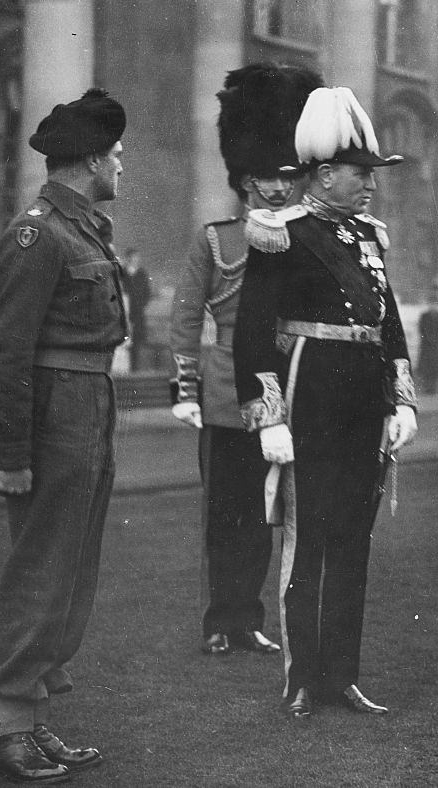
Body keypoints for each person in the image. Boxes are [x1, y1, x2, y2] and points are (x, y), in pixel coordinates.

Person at [233, 86, 417, 718]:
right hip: (309, 393)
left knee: (352, 540)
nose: (371, 184)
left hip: (364, 398)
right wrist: (269, 417)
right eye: (360, 173)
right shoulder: (281, 233)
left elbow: (389, 323)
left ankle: (341, 676)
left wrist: (402, 400)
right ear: (326, 173)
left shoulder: (369, 236)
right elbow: (253, 332)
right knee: (307, 538)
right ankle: (302, 679)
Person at [0, 88, 127, 783]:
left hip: (88, 407)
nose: (121, 166)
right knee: (41, 571)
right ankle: (6, 731)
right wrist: (11, 456)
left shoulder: (84, 229)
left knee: (69, 574)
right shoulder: (37, 235)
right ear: (91, 160)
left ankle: (31, 723)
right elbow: (3, 352)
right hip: (54, 416)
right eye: (115, 155)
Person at [170, 63, 322, 657]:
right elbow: (186, 319)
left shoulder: (304, 239)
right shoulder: (216, 239)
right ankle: (218, 619)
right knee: (224, 512)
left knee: (266, 513)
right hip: (222, 397)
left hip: (284, 394)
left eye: (287, 176)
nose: (278, 189)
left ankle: (248, 618)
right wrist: (185, 390)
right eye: (265, 178)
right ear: (244, 179)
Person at [122, 247, 152, 371]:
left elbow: (147, 293)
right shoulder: (122, 273)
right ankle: (124, 367)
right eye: (133, 257)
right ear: (128, 258)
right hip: (124, 312)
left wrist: (141, 305)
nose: (135, 260)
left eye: (137, 257)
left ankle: (135, 368)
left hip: (138, 312)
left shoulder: (142, 274)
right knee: (124, 339)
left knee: (137, 340)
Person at [416, 290, 438, 394]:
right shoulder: (424, 316)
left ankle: (433, 387)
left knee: (435, 366)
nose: (433, 306)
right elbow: (421, 329)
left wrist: (436, 339)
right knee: (426, 366)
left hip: (437, 345)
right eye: (432, 304)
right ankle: (427, 386)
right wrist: (428, 338)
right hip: (426, 345)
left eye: (435, 304)